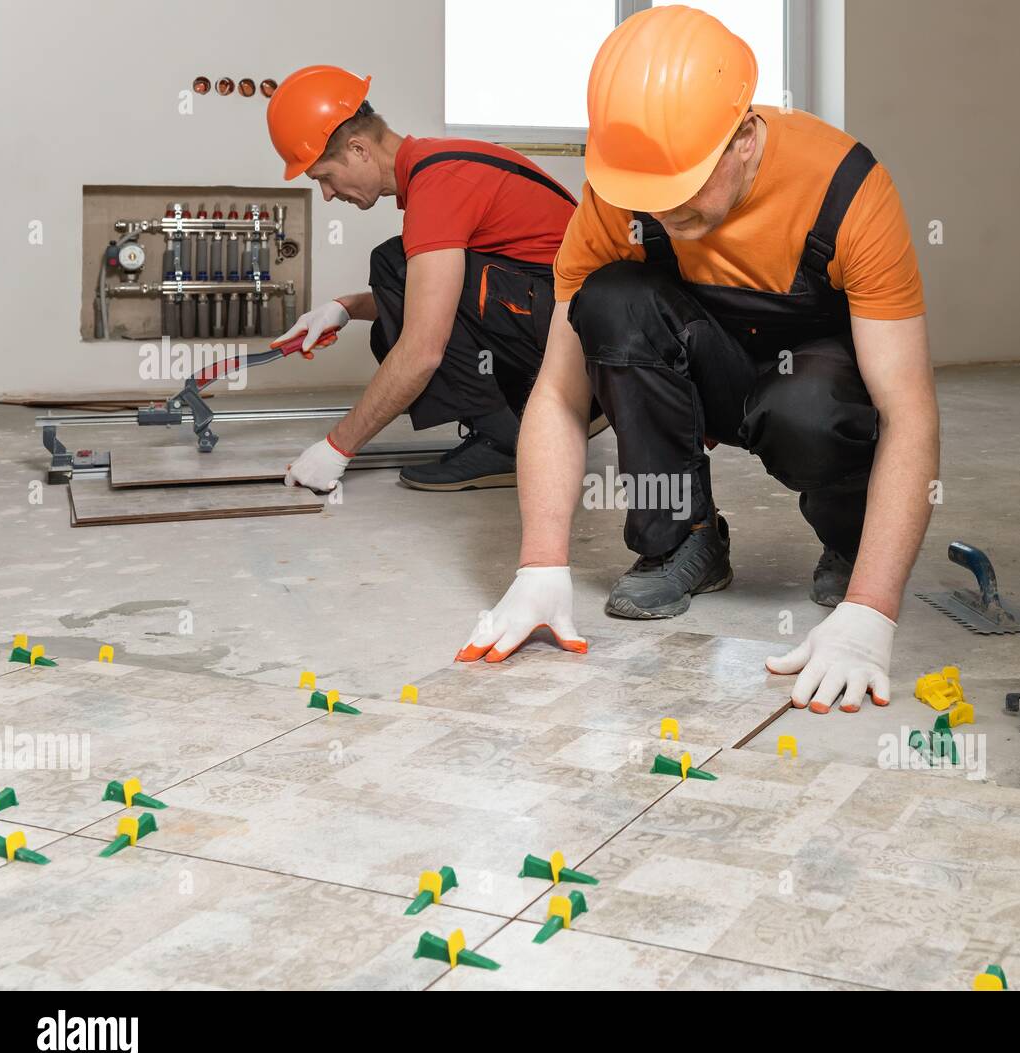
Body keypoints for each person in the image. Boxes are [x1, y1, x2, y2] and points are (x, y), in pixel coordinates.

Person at [455, 6, 939, 715]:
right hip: (703, 362)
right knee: (611, 301)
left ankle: (850, 543)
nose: (661, 212)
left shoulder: (846, 189)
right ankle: (683, 539)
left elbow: (910, 412)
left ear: (744, 137)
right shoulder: (615, 197)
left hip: (804, 375)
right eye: (645, 197)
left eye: (680, 193)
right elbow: (559, 396)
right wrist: (540, 564)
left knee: (809, 409)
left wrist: (874, 608)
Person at [265, 64, 601, 493]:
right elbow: (429, 293)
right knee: (395, 272)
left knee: (398, 276)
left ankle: (506, 441)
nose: (328, 195)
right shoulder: (438, 164)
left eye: (325, 178)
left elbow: (424, 349)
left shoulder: (438, 185)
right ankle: (512, 423)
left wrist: (336, 448)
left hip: (580, 349)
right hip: (561, 322)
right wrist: (345, 308)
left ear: (358, 150)